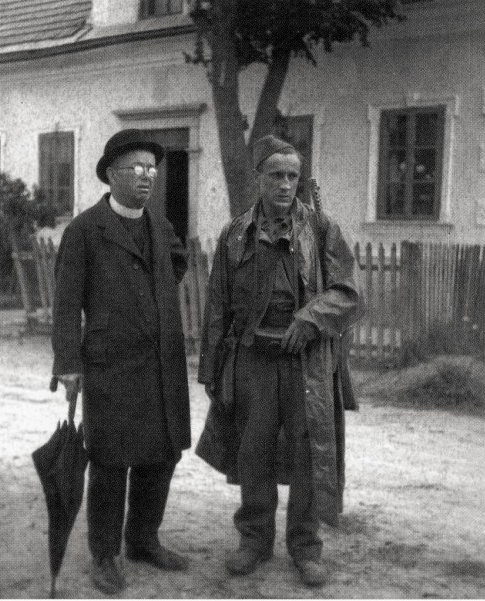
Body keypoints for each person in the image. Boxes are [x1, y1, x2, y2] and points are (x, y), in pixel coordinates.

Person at [196, 135, 363, 586]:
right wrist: (212, 370)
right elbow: (218, 305)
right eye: (276, 175)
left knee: (309, 453)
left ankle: (305, 546)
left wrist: (311, 318)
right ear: (259, 179)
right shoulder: (235, 234)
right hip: (253, 360)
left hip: (305, 363)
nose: (286, 184)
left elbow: (349, 293)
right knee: (253, 450)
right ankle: (254, 539)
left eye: (293, 176)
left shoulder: (322, 229)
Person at [51, 129, 191, 594]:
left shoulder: (161, 227)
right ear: (111, 175)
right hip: (109, 364)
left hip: (161, 362)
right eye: (136, 168)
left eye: (152, 168)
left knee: (162, 454)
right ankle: (105, 554)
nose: (147, 176)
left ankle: (143, 539)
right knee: (111, 460)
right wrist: (68, 363)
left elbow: (176, 265)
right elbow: (66, 303)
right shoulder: (84, 230)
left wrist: (151, 305)